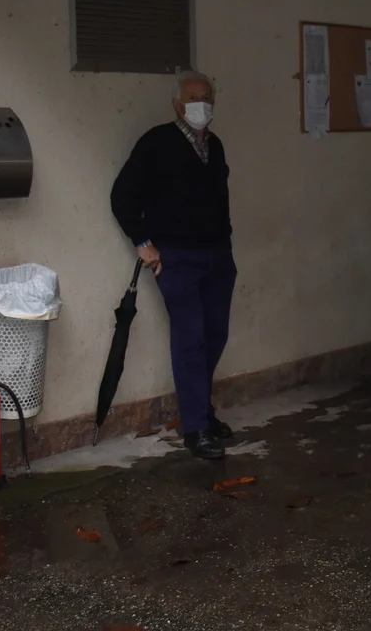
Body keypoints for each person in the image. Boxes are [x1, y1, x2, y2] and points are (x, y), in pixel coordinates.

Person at [110, 69, 237, 461]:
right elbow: (122, 195)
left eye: (207, 97)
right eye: (193, 98)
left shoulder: (214, 146)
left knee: (214, 336)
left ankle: (202, 413)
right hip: (177, 259)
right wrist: (143, 243)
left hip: (218, 256)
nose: (201, 104)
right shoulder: (157, 142)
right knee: (190, 339)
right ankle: (196, 429)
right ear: (177, 104)